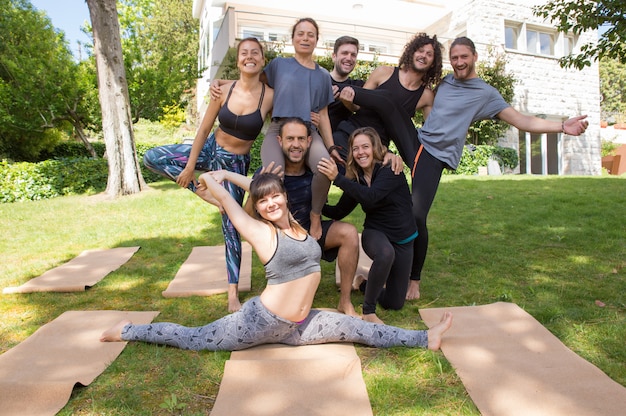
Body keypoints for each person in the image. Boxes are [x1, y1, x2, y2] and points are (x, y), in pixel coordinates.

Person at [344, 36, 589, 300]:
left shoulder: (486, 94)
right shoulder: (446, 82)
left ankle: (413, 280)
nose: (459, 62)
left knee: (415, 215)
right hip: (417, 142)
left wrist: (561, 126)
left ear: (474, 57)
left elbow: (521, 120)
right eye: (455, 57)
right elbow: (432, 114)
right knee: (389, 102)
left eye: (464, 57)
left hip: (433, 157)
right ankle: (344, 92)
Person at [100, 171, 453, 352]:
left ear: (284, 197)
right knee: (193, 339)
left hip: (300, 325)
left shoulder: (297, 224)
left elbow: (261, 186)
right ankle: (127, 330)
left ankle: (425, 339)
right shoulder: (261, 232)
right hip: (259, 322)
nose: (270, 203)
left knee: (360, 329)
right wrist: (217, 178)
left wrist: (253, 183)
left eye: (275, 196)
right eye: (263, 201)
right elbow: (226, 197)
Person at [142, 38, 274, 312]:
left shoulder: (269, 95)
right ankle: (207, 194)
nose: (249, 57)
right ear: (238, 60)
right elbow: (203, 130)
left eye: (255, 53)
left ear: (262, 60)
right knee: (151, 157)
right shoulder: (223, 91)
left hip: (235, 163)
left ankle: (232, 296)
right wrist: (190, 168)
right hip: (210, 148)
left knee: (232, 228)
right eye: (243, 53)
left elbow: (287, 115)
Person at [214, 118, 362, 317]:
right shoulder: (268, 172)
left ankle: (345, 302)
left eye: (301, 139)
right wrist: (256, 186)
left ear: (309, 142)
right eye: (290, 138)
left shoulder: (317, 171)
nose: (295, 144)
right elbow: (248, 217)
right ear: (280, 141)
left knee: (350, 233)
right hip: (282, 242)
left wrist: (387, 156)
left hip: (312, 233)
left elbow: (357, 169)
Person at [211, 17, 340, 241]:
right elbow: (250, 80)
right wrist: (221, 82)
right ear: (293, 39)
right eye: (300, 33)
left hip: (308, 131)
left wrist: (331, 147)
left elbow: (325, 115)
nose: (305, 38)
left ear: (317, 40)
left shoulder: (323, 76)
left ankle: (315, 215)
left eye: (310, 34)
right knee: (272, 174)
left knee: (324, 167)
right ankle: (269, 224)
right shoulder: (279, 65)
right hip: (279, 128)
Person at [318, 127, 417, 324]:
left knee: (395, 302)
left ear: (375, 148)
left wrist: (337, 179)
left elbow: (371, 197)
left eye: (365, 146)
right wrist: (315, 207)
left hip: (403, 239)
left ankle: (364, 283)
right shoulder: (358, 179)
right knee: (385, 253)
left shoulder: (390, 170)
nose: (361, 152)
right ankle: (368, 310)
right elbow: (339, 211)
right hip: (376, 232)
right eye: (356, 148)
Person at [331, 33, 443, 162]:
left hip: (379, 148)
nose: (423, 56)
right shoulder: (384, 72)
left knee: (393, 179)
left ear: (433, 63)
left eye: (429, 54)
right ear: (412, 52)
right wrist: (347, 102)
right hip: (351, 133)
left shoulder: (426, 96)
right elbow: (357, 107)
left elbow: (431, 134)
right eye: (420, 51)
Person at [327, 36, 364, 131]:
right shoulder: (320, 81)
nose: (349, 58)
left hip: (346, 140)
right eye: (344, 53)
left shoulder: (359, 86)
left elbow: (364, 113)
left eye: (353, 55)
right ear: (334, 56)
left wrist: (349, 105)